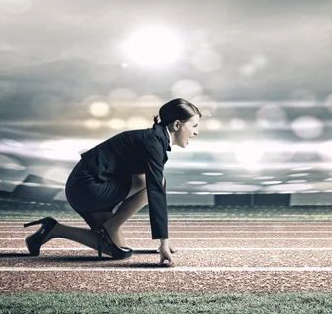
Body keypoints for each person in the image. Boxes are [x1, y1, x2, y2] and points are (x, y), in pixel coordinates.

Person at [23, 98, 201, 265]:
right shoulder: (153, 141)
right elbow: (155, 189)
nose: (196, 132)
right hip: (88, 187)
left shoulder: (154, 139)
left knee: (116, 249)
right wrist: (164, 240)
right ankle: (111, 225)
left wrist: (164, 239)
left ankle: (54, 229)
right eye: (194, 125)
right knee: (157, 181)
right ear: (177, 124)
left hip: (84, 188)